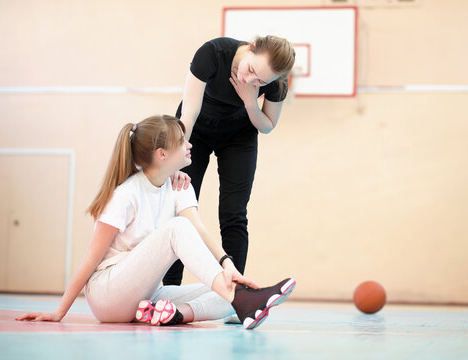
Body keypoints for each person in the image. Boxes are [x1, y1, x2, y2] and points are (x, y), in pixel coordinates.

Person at [16, 115, 295, 330]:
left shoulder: (180, 185)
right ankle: (241, 301)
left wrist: (227, 265)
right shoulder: (126, 194)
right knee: (177, 230)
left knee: (224, 291)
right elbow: (91, 258)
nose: (190, 146)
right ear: (162, 154)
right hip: (108, 296)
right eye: (183, 141)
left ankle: (178, 314)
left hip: (146, 295)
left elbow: (199, 230)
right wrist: (59, 311)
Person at [164, 35, 296, 287]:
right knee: (181, 210)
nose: (250, 80)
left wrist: (250, 102)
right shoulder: (213, 53)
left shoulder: (276, 83)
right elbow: (189, 113)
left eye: (260, 81)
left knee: (234, 212)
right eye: (250, 70)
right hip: (196, 131)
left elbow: (266, 126)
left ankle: (234, 293)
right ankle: (170, 290)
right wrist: (176, 158)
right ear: (251, 47)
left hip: (239, 135)